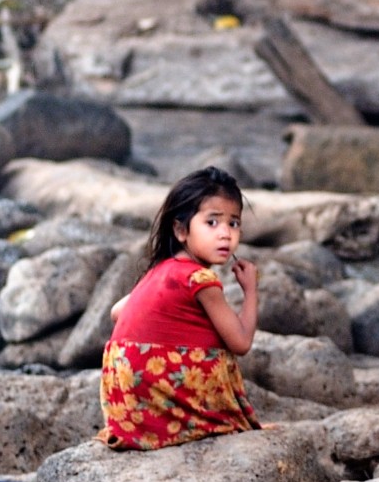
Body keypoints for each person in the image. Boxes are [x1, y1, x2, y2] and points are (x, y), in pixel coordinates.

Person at [97, 166, 261, 451]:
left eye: (233, 224)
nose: (226, 234)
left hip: (124, 405)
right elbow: (241, 342)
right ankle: (205, 420)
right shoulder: (201, 279)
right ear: (181, 229)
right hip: (156, 394)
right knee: (220, 348)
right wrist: (250, 291)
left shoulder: (162, 269)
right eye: (212, 223)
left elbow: (116, 311)